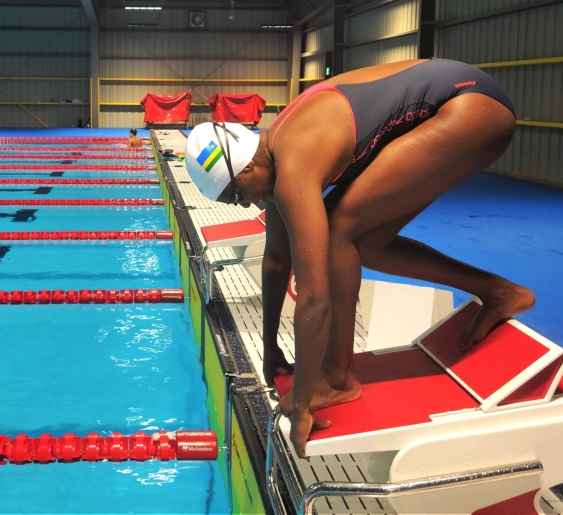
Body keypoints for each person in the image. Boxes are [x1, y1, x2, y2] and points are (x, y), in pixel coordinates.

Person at [183, 58, 535, 459]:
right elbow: (278, 259)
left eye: (234, 196)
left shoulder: (294, 163)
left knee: (339, 230)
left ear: (244, 171)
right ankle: (498, 292)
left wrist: (300, 408)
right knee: (365, 244)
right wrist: (270, 348)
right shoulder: (272, 155)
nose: (244, 205)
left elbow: (314, 297)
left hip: (472, 108)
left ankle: (339, 377)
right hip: (462, 102)